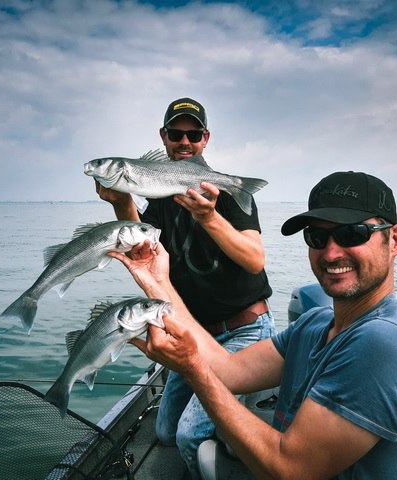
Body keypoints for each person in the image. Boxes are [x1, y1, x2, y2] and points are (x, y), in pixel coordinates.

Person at [110, 171, 397, 479]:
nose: (332, 252)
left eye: (353, 233)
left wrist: (193, 369)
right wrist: (158, 282)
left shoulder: (386, 342)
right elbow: (228, 370)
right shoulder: (315, 324)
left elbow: (290, 470)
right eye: (317, 236)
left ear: (395, 240)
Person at [95, 97, 275, 478]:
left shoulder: (226, 192)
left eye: (193, 134)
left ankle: (241, 430)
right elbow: (141, 246)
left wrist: (209, 216)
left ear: (205, 138)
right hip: (194, 337)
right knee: (163, 433)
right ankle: (233, 423)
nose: (184, 141)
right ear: (163, 136)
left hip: (245, 330)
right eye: (176, 133)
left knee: (190, 435)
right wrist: (121, 201)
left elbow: (254, 259)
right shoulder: (160, 196)